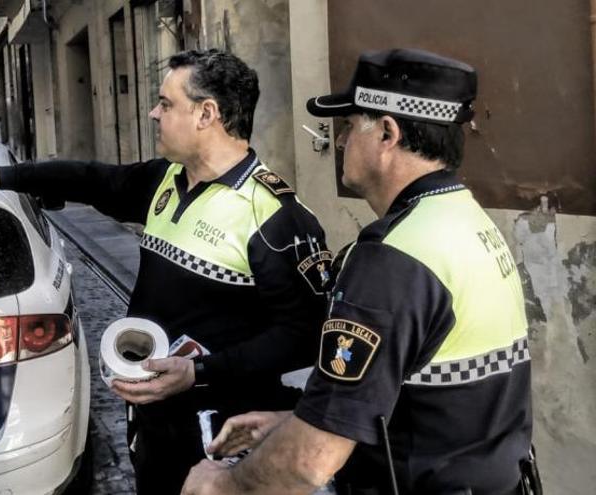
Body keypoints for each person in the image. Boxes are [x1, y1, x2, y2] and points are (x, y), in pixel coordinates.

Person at [0, 49, 331, 495]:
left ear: (207, 114)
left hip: (225, 438)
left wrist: (200, 371)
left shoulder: (276, 217)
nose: (153, 113)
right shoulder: (165, 180)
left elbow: (306, 336)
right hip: (154, 424)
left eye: (166, 104)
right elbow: (91, 178)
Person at [181, 48, 536, 495]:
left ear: (387, 132)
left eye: (349, 126)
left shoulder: (391, 258)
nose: (342, 141)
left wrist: (222, 484)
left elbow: (311, 461)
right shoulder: (468, 221)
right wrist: (293, 421)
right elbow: (415, 395)